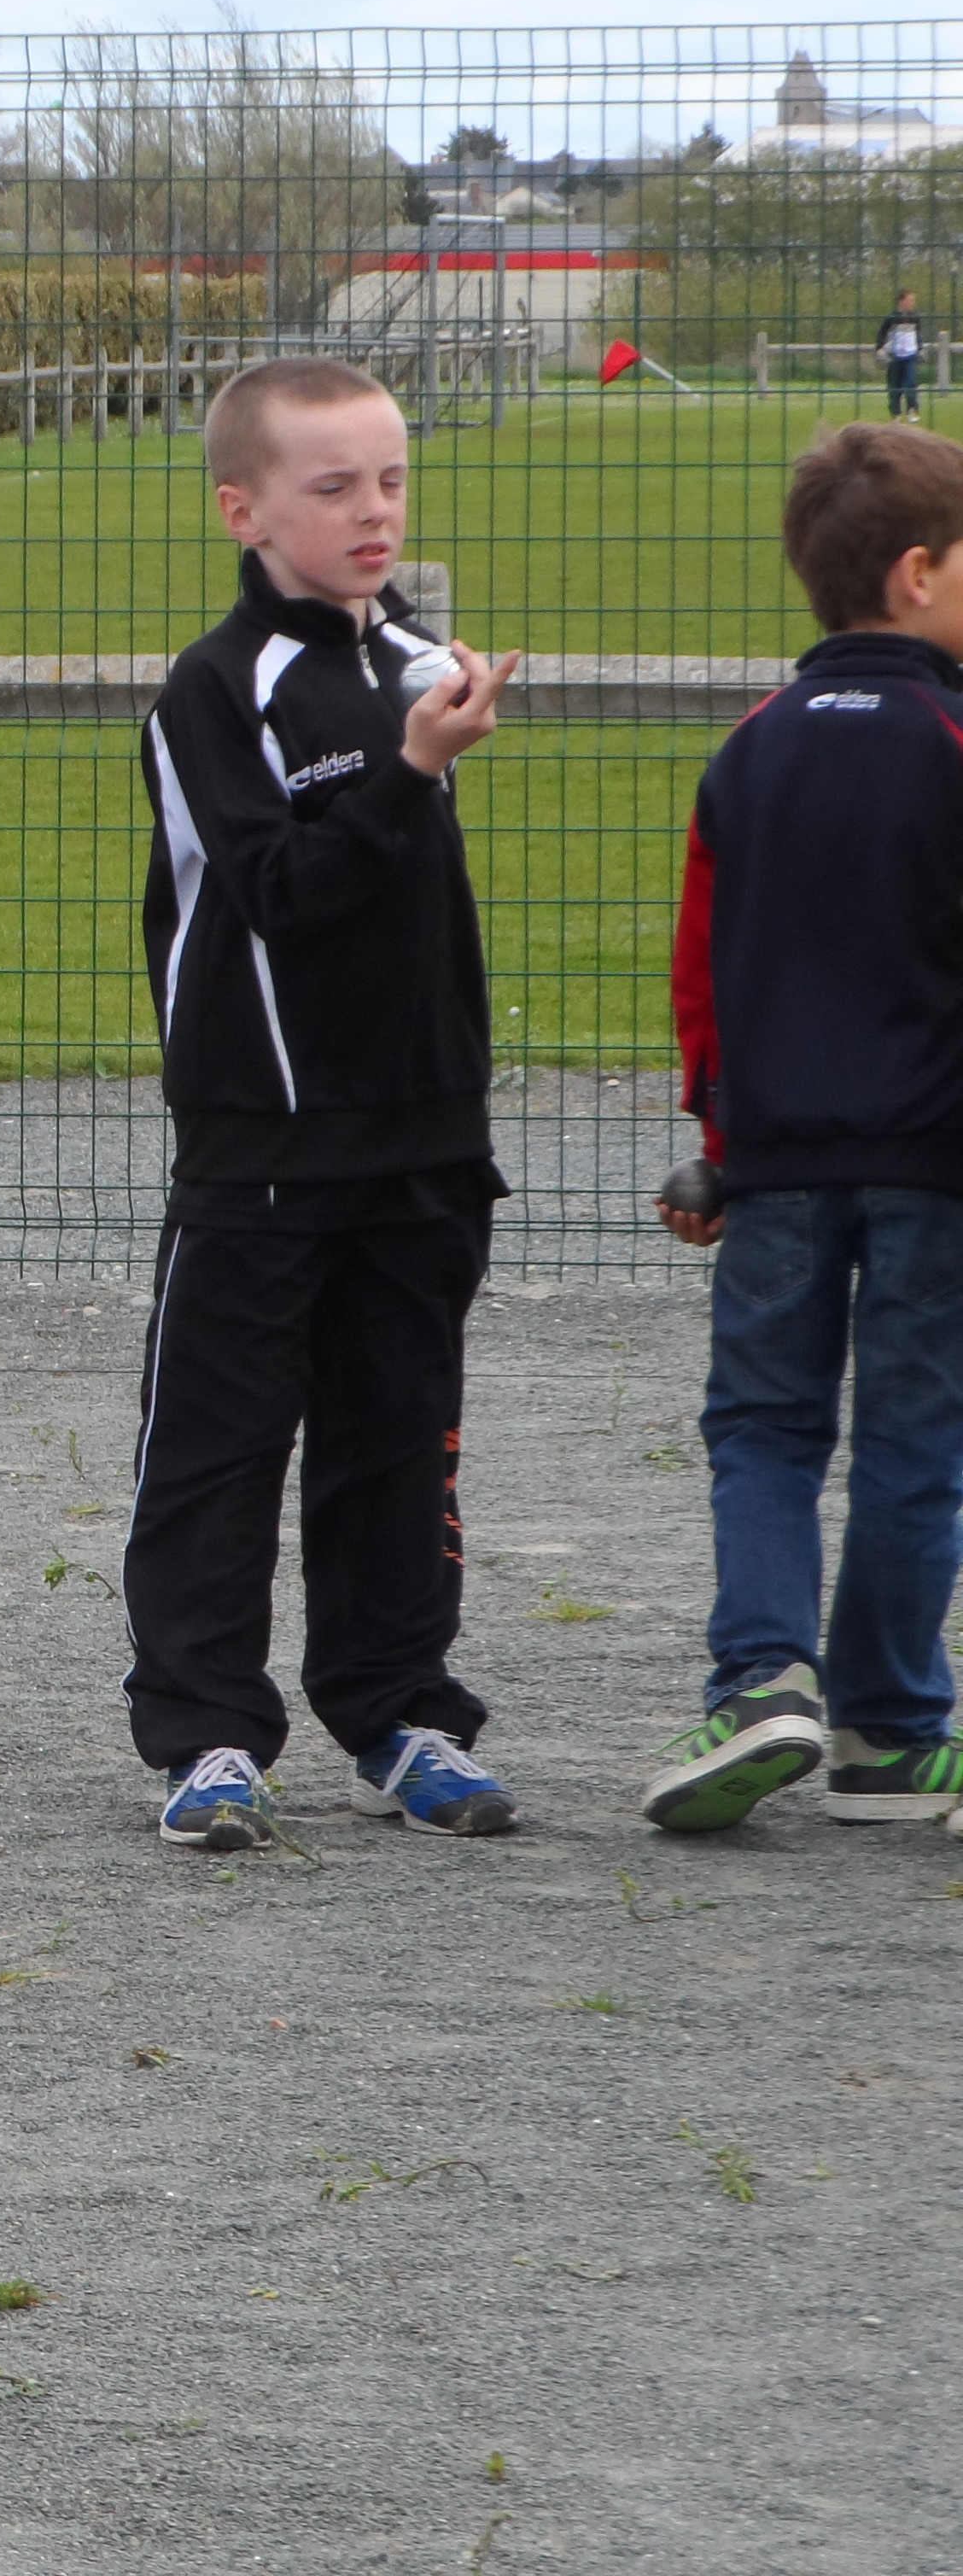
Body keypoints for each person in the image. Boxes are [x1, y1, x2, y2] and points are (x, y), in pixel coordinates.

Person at [124, 358, 526, 1851]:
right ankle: (207, 1737)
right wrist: (411, 772)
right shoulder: (216, 690)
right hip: (263, 1156)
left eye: (392, 480)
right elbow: (281, 895)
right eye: (334, 485)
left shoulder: (423, 664)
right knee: (218, 1457)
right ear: (244, 509)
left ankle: (401, 1712)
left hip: (421, 1153)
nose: (374, 511)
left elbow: (417, 922)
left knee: (400, 1440)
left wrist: (422, 754)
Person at [644, 423, 963, 1836]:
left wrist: (719, 1141)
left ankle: (760, 1675)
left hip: (771, 1166)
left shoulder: (749, 752)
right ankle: (888, 1732)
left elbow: (704, 969)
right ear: (916, 576)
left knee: (764, 1428)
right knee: (914, 1437)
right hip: (932, 1169)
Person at [880, 291, 925, 420]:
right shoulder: (891, 318)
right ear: (901, 301)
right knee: (894, 386)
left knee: (911, 383)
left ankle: (912, 410)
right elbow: (882, 335)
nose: (912, 304)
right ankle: (895, 414)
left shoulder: (915, 318)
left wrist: (920, 348)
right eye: (910, 300)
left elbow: (919, 335)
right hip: (895, 356)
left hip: (910, 355)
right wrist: (880, 349)